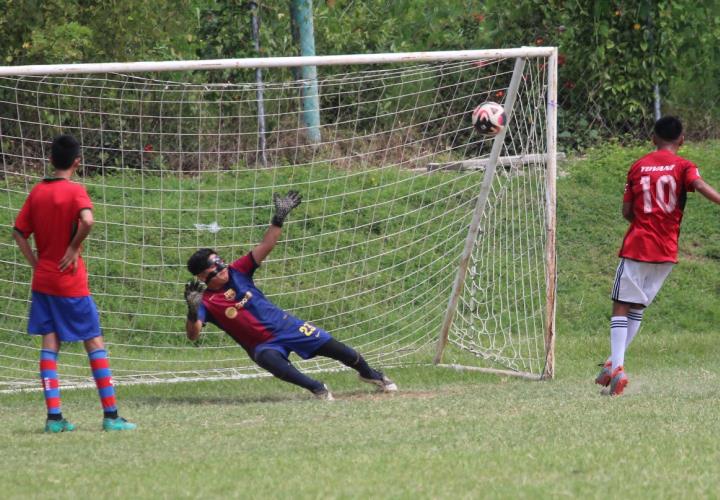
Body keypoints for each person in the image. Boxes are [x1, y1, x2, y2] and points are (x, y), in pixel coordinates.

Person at [184, 190, 397, 400]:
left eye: (221, 261)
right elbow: (193, 335)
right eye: (216, 267)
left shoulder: (238, 271)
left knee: (341, 351)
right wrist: (193, 312)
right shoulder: (204, 301)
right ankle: (317, 388)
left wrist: (279, 218)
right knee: (271, 362)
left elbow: (266, 245)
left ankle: (371, 374)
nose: (223, 267)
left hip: (288, 327)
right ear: (203, 276)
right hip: (262, 345)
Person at [13, 135, 136, 432]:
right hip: (70, 282)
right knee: (94, 341)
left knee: (50, 343)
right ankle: (111, 416)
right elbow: (88, 221)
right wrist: (72, 248)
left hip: (43, 281)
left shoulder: (37, 191)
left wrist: (35, 262)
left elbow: (18, 233)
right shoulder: (74, 191)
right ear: (77, 162)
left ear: (51, 160)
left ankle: (54, 419)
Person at [595, 116, 720, 396]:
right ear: (682, 139)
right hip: (666, 250)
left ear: (653, 138)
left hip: (639, 245)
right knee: (637, 307)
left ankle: (617, 368)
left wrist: (641, 216)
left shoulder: (638, 166)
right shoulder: (684, 167)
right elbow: (698, 185)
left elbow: (627, 213)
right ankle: (612, 363)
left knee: (620, 305)